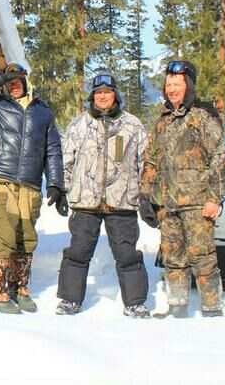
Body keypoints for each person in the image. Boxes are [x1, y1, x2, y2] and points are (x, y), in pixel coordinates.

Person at [55, 71, 151, 318]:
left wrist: (146, 194)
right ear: (92, 97)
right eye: (98, 93)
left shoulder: (133, 125)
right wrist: (64, 190)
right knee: (78, 252)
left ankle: (135, 302)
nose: (103, 97)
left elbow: (146, 162)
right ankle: (69, 299)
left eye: (107, 92)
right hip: (86, 200)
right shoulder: (78, 125)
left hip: (122, 201)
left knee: (128, 254)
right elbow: (66, 160)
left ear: (115, 95)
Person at [0, 63, 65, 314]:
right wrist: (0, 76)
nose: (13, 85)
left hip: (31, 184)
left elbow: (53, 150)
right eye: (9, 81)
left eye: (17, 80)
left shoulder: (43, 113)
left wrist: (56, 184)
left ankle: (19, 288)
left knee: (26, 238)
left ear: (26, 83)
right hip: (2, 181)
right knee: (4, 235)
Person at [139, 60, 225, 318]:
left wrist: (215, 198)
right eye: (168, 85)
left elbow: (220, 157)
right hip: (167, 204)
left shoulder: (202, 116)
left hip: (197, 203)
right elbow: (151, 160)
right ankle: (177, 306)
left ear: (188, 86)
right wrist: (146, 196)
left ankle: (212, 307)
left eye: (177, 85)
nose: (172, 90)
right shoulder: (162, 121)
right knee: (172, 258)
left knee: (202, 257)